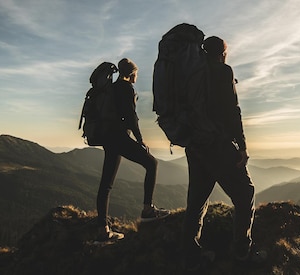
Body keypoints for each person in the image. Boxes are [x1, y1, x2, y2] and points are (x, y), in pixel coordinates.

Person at [182, 36, 264, 270]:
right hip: (217, 143)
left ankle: (190, 255)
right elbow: (232, 110)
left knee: (197, 199)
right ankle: (241, 251)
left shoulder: (191, 74)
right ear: (223, 52)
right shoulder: (222, 70)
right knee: (245, 192)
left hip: (194, 144)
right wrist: (242, 146)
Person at [96, 58, 170, 241]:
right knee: (152, 163)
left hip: (108, 138)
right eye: (136, 73)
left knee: (106, 184)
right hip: (119, 137)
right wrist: (140, 141)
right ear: (131, 73)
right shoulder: (126, 88)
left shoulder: (111, 88)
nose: (137, 76)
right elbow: (131, 117)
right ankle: (147, 210)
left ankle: (102, 229)